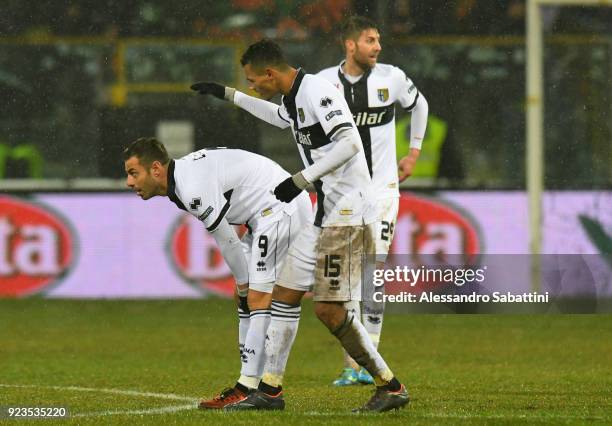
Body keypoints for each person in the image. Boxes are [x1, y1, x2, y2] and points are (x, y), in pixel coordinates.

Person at [191, 38, 409, 412]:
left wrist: (300, 180)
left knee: (328, 310)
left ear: (271, 73)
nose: (252, 86)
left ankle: (390, 385)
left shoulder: (317, 92)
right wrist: (228, 95)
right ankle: (270, 390)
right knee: (285, 295)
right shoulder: (292, 99)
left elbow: (350, 143)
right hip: (327, 212)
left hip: (350, 213)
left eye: (253, 80)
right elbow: (276, 117)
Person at [122, 137, 313, 409]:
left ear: (155, 169)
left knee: (256, 297)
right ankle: (249, 385)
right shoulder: (182, 179)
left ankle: (251, 388)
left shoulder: (191, 188)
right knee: (245, 297)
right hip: (263, 214)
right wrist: (243, 287)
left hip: (281, 208)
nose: (129, 183)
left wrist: (245, 284)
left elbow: (228, 241)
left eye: (133, 173)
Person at [317, 16, 429, 386]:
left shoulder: (391, 78)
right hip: (343, 193)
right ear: (350, 45)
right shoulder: (323, 84)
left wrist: (413, 153)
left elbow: (420, 105)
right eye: (370, 40)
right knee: (345, 280)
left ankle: (371, 359)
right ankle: (353, 364)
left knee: (372, 271)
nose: (378, 46)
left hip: (382, 190)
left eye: (378, 40)